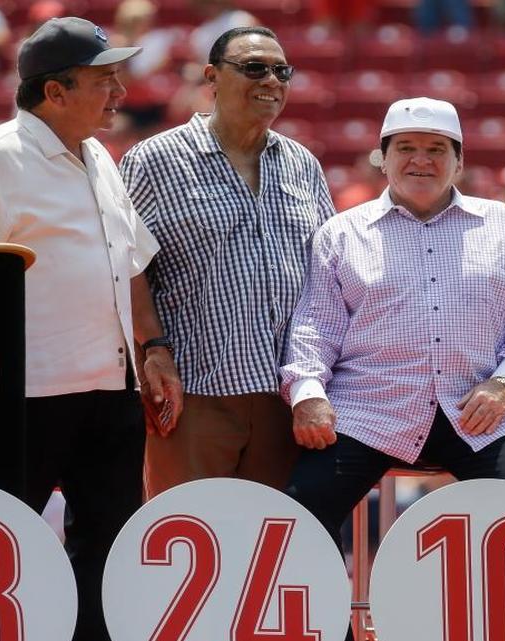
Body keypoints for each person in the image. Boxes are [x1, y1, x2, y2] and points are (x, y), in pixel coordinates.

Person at [0, 17, 183, 641]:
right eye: (104, 80)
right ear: (55, 92)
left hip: (108, 391)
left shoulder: (98, 156)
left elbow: (126, 267)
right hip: (22, 397)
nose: (120, 92)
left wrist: (149, 350)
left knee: (105, 554)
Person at [282, 97, 505, 570]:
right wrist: (307, 391)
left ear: (459, 160)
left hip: (476, 410)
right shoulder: (342, 232)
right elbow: (314, 326)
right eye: (406, 147)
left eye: (437, 148)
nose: (421, 159)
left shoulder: (504, 226)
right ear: (383, 158)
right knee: (301, 511)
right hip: (369, 409)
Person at [121, 26, 334, 499]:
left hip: (285, 395)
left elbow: (328, 277)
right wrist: (152, 348)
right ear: (212, 76)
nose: (271, 81)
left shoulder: (303, 164)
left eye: (282, 71)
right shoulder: (155, 160)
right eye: (254, 68)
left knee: (271, 548)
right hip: (193, 391)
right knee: (185, 538)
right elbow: (125, 266)